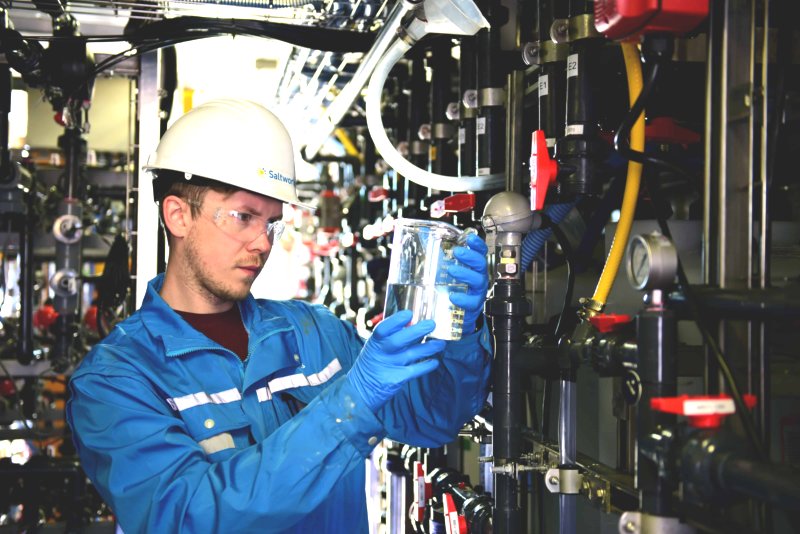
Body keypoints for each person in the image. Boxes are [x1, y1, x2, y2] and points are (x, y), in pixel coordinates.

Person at [66, 99, 492, 533]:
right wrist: (352, 403)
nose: (262, 243)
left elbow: (433, 418)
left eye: (271, 223)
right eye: (243, 217)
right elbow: (190, 517)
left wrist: (459, 327)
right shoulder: (115, 380)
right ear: (178, 215)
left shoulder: (313, 334)